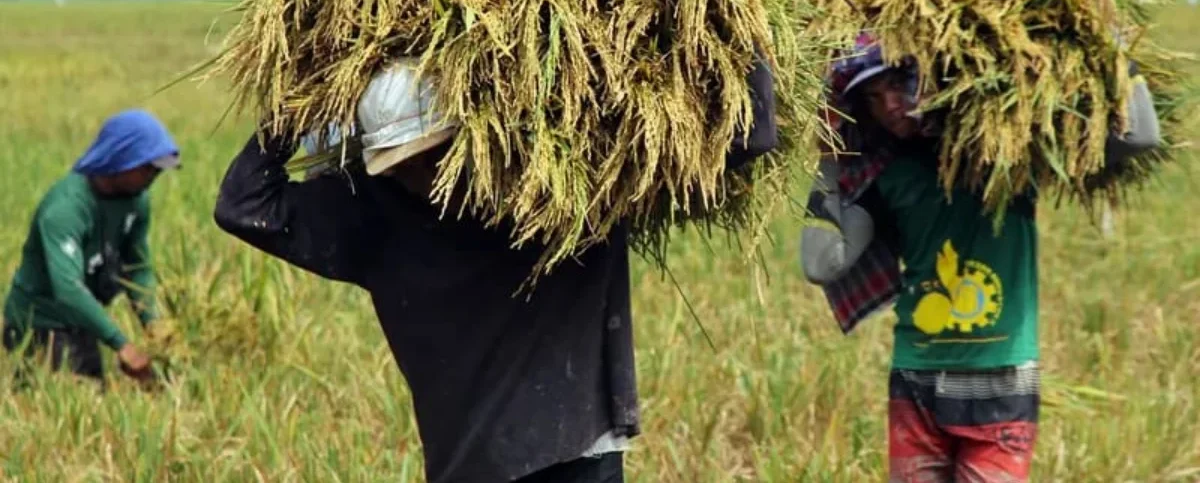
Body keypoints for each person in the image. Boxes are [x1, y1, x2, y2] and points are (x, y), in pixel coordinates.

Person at [213, 56, 777, 483]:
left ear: (468, 138)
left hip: (572, 450)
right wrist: (302, 91)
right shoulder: (377, 214)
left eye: (428, 156)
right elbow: (242, 208)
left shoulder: (562, 191)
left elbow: (742, 143)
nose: (417, 175)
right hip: (495, 462)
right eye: (399, 164)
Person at [799, 33, 1161, 483]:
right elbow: (820, 264)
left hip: (1003, 382)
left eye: (897, 85)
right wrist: (828, 155)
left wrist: (1115, 51)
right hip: (917, 380)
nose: (890, 104)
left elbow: (1139, 137)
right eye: (874, 98)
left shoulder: (1008, 154)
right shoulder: (886, 173)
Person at [2, 108, 181, 388]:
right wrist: (122, 345)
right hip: (39, 321)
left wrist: (153, 326)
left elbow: (138, 269)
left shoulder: (137, 201)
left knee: (96, 392)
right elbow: (68, 288)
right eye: (147, 167)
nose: (154, 176)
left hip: (80, 320)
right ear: (120, 160)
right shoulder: (65, 208)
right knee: (65, 401)